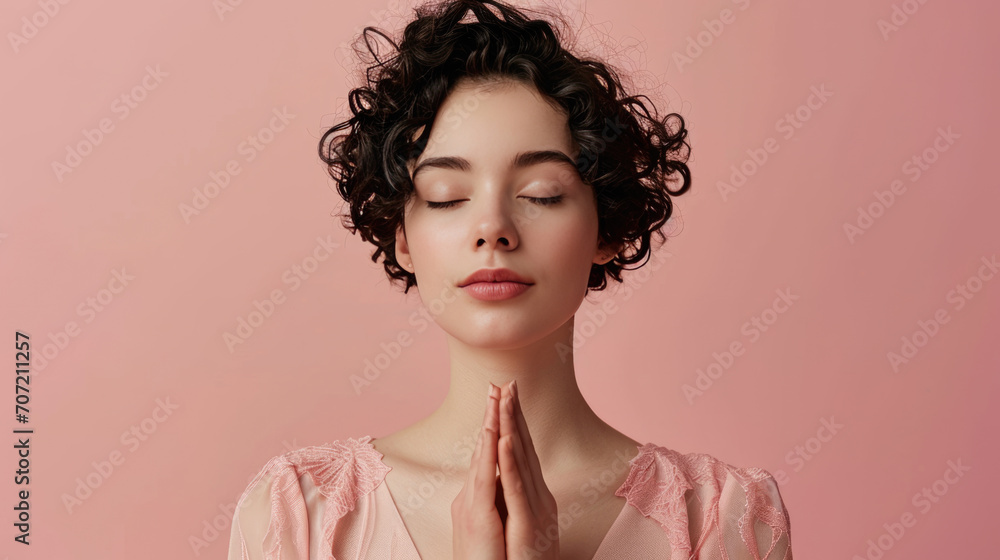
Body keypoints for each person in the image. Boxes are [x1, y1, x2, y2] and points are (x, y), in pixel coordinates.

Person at [228, 0, 793, 558]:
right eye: (446, 197)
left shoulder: (725, 521)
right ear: (402, 236)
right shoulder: (303, 516)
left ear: (607, 229)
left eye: (541, 193)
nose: (493, 229)